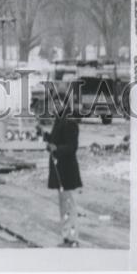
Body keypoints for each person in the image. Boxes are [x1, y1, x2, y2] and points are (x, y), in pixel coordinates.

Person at [43, 105, 83, 247]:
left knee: (69, 206)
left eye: (54, 103)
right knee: (64, 206)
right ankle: (67, 237)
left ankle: (72, 239)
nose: (52, 107)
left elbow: (72, 147)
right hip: (61, 169)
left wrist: (56, 148)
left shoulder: (69, 121)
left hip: (67, 171)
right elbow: (57, 140)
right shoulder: (60, 119)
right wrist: (45, 136)